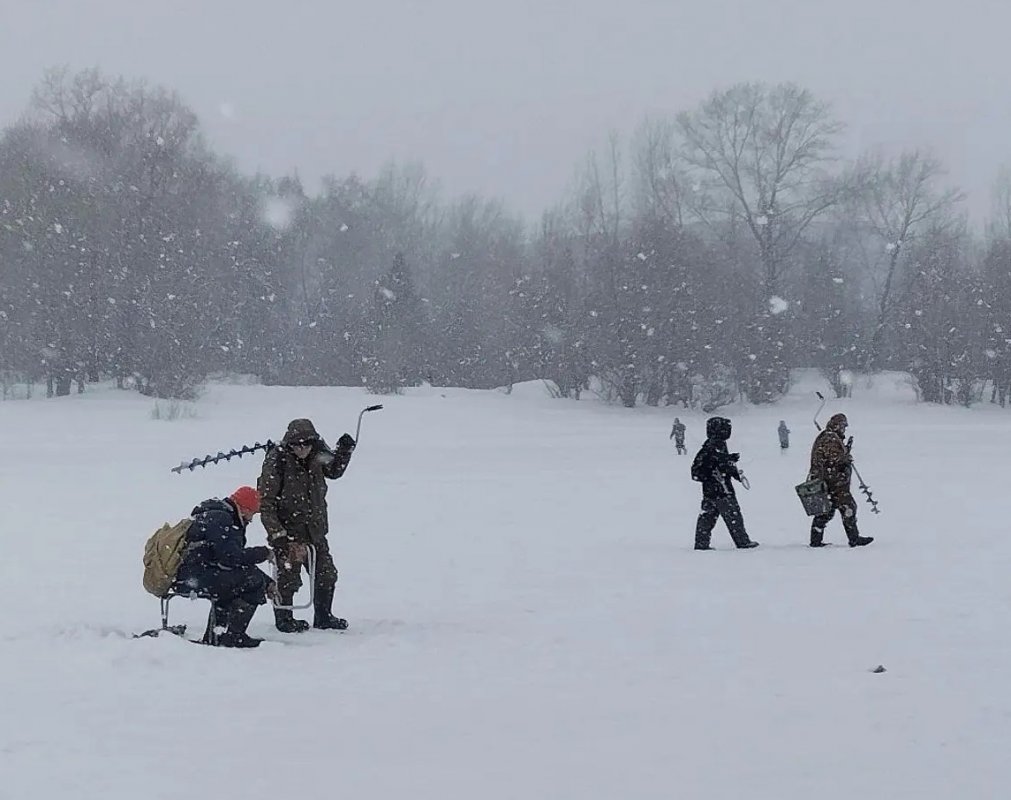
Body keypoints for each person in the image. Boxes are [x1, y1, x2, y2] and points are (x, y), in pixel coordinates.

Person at [258, 418, 356, 632]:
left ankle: (323, 616)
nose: (301, 448)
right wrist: (277, 534)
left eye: (306, 444)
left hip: (315, 530)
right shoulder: (277, 461)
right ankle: (284, 618)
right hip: (288, 532)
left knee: (326, 574)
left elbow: (335, 471)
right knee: (288, 577)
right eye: (296, 444)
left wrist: (344, 452)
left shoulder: (318, 455)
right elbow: (265, 502)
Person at [172, 486, 274, 648]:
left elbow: (229, 561)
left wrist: (267, 580)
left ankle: (218, 634)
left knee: (237, 580)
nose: (251, 519)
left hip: (192, 574)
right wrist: (263, 553)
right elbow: (230, 559)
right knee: (251, 581)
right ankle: (233, 636)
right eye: (252, 513)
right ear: (243, 508)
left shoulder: (219, 516)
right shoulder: (221, 519)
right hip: (192, 578)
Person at [691, 416, 759, 550]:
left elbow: (721, 463)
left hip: (712, 490)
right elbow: (713, 463)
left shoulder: (716, 445)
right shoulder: (712, 446)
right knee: (733, 516)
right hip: (721, 490)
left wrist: (734, 472)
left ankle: (701, 543)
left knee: (707, 517)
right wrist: (726, 461)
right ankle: (742, 541)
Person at [808, 413, 873, 548]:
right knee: (847, 507)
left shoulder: (830, 436)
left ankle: (816, 539)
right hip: (832, 482)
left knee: (826, 511)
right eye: (843, 426)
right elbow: (833, 459)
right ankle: (853, 538)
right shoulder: (830, 438)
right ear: (838, 425)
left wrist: (845, 449)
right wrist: (845, 458)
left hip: (828, 482)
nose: (844, 429)